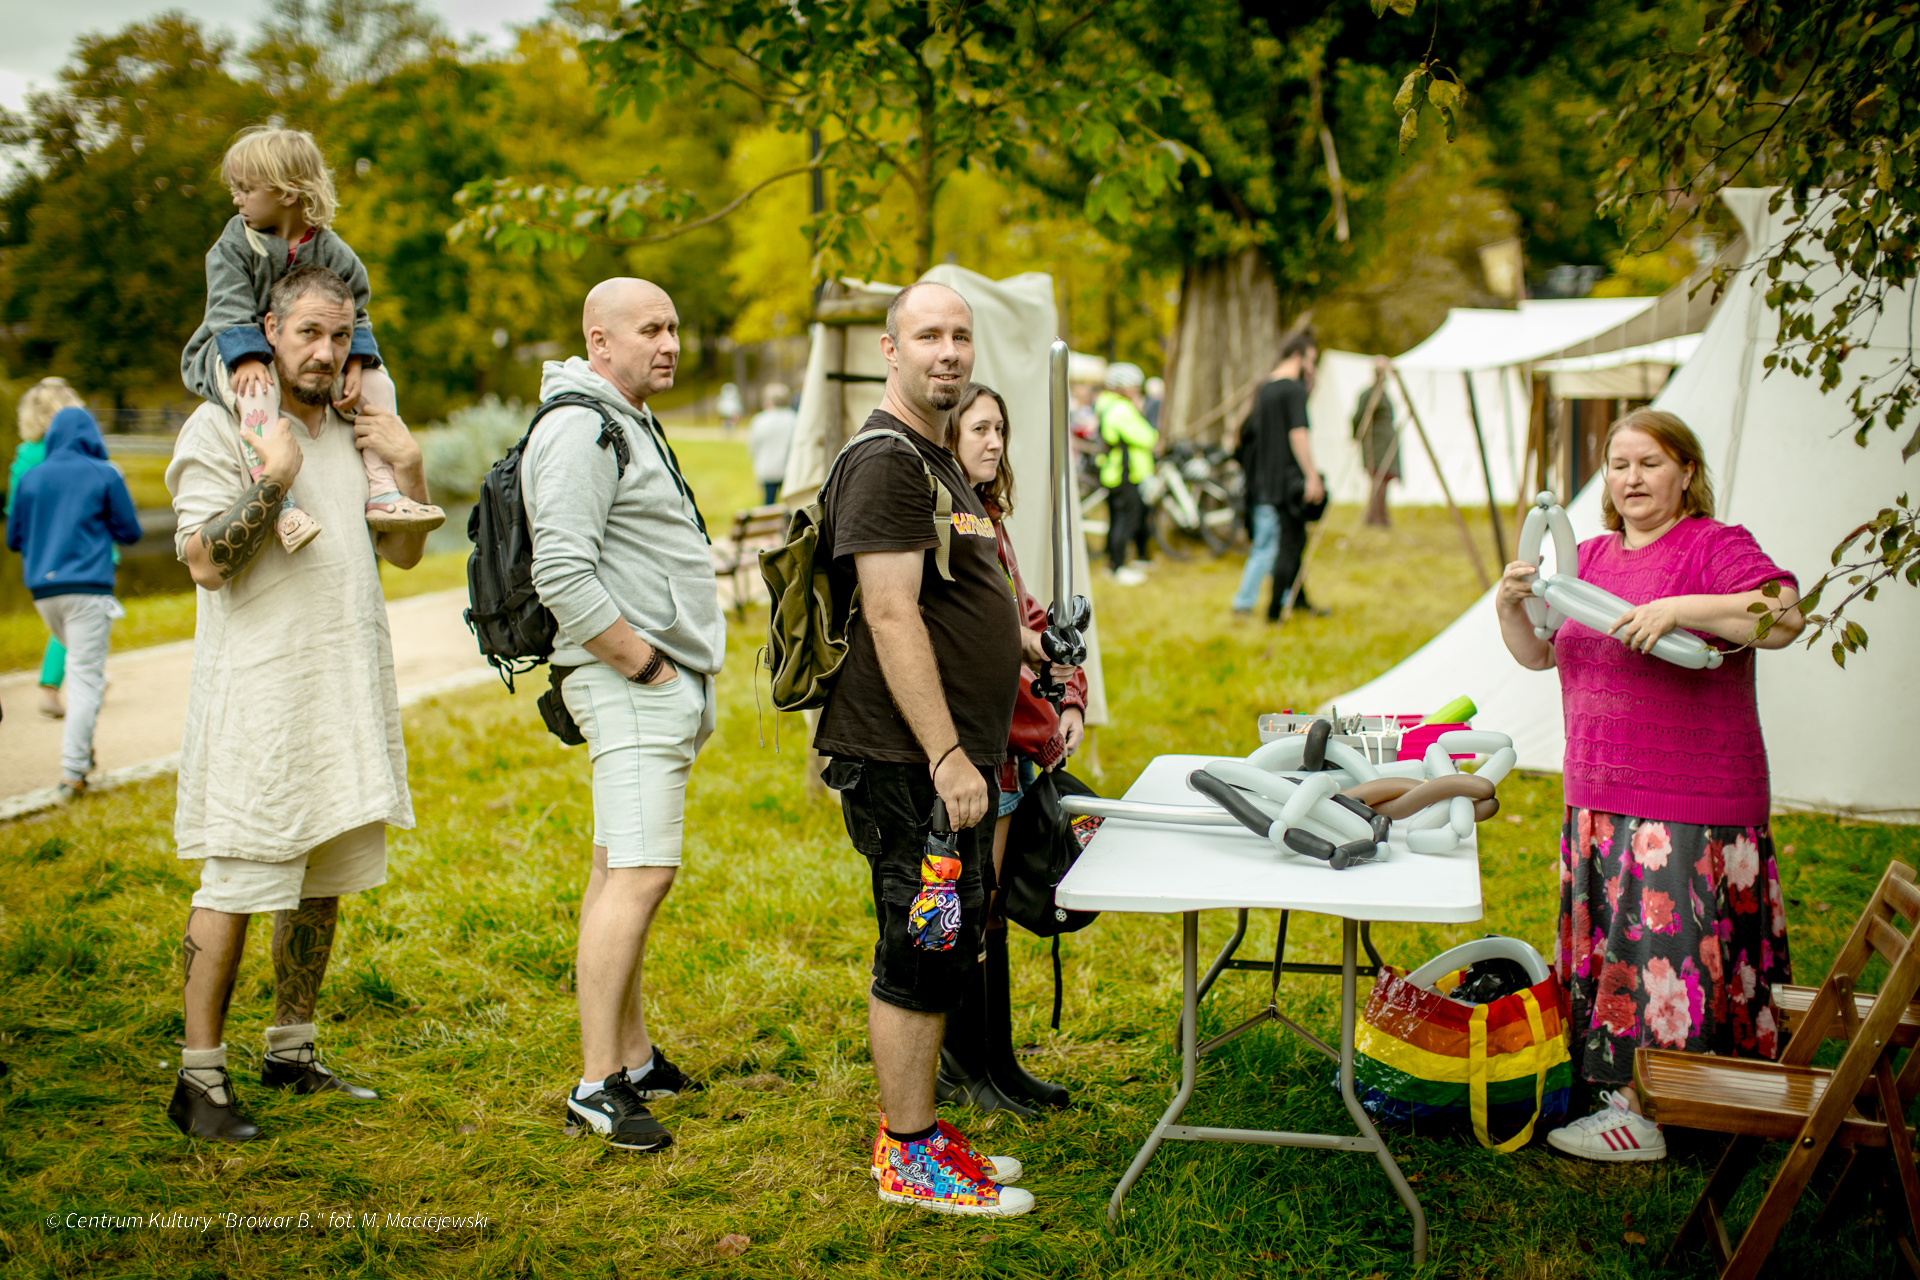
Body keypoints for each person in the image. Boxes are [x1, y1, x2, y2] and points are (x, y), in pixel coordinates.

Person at [163, 264, 435, 1143]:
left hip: (342, 696)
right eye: (308, 332)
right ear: (268, 331)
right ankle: (199, 1078)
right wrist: (274, 478)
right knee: (237, 882)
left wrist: (409, 464)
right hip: (260, 704)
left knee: (322, 884)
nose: (326, 351)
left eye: (341, 334)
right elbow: (205, 562)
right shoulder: (223, 427)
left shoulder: (356, 431)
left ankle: (291, 1050)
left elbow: (404, 555)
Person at [1494, 409, 1805, 1163]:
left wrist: (1678, 610)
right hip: (1599, 794)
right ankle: (1617, 1083)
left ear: (1686, 473)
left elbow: (1785, 616)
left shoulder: (1713, 547)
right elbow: (1542, 654)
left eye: (1650, 463)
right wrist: (1509, 607)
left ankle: (1653, 1113)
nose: (1631, 479)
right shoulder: (1590, 558)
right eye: (1619, 464)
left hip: (1688, 800)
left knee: (1668, 955)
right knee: (1620, 953)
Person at [814, 281, 1032, 1216]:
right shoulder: (887, 461)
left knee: (946, 943)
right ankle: (906, 1155)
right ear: (889, 348)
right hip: (909, 765)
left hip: (949, 762)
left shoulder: (935, 457)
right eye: (928, 335)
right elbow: (891, 612)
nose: (948, 351)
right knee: (919, 943)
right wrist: (947, 756)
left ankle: (923, 1129)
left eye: (960, 336)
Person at [524, 278, 723, 1155]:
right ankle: (596, 1085)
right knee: (642, 876)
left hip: (647, 683)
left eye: (674, 326)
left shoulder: (623, 417)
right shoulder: (581, 427)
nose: (670, 343)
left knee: (617, 869)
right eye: (650, 329)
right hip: (629, 682)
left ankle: (633, 1061)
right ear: (599, 341)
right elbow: (560, 573)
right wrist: (645, 665)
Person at [181, 125, 442, 555]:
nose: (237, 199)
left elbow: (356, 311)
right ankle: (279, 502)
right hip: (229, 349)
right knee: (257, 389)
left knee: (379, 383)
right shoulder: (234, 244)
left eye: (245, 189)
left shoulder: (333, 251)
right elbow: (227, 308)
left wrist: (356, 361)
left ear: (286, 192)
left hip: (298, 357)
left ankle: (383, 490)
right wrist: (246, 357)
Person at [938, 381, 1086, 1117]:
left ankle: (998, 1062)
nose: (994, 442)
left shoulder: (986, 518)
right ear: (948, 438)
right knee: (973, 905)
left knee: (991, 908)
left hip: (1016, 743)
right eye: (978, 429)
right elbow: (988, 637)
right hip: (981, 742)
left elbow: (1030, 619)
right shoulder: (950, 523)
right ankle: (963, 1070)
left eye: (1000, 428)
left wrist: (1072, 692)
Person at [6, 405, 142, 799]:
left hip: (43, 593)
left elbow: (14, 539)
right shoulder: (104, 473)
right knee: (85, 678)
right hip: (87, 589)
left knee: (81, 669)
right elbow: (130, 531)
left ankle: (81, 751)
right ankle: (72, 773)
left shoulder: (30, 477)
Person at [8, 377, 87, 718]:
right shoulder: (77, 455)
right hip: (80, 551)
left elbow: (15, 513)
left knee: (66, 622)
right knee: (75, 622)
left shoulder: (24, 457)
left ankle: (86, 673)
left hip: (38, 556)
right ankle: (51, 687)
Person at [1230, 333, 1325, 619]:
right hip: (1286, 482)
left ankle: (1297, 599)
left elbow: (1241, 430)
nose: (1312, 367)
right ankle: (1259, 605)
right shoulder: (1292, 390)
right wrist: (1312, 475)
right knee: (1280, 545)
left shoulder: (1264, 388)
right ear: (1299, 356)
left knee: (1289, 543)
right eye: (1311, 360)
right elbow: (1298, 433)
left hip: (1262, 480)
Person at [1096, 362, 1157, 586]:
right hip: (1125, 474)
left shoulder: (1107, 405)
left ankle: (1116, 563)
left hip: (1116, 473)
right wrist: (1140, 414)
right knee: (1124, 521)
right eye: (1135, 386)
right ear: (1122, 386)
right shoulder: (1121, 409)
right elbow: (1147, 437)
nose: (1138, 391)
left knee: (1117, 519)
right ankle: (1118, 567)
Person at [1352, 357, 1398, 528]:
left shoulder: (1384, 395)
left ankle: (1379, 515)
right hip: (1375, 443)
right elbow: (1358, 417)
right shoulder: (1369, 394)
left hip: (1386, 443)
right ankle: (1375, 517)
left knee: (1383, 479)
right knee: (1378, 478)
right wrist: (1357, 437)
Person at [746, 381, 797, 505]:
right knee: (790, 506)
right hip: (788, 470)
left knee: (768, 506)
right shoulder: (793, 419)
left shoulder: (759, 420)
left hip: (767, 470)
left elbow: (753, 447)